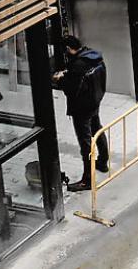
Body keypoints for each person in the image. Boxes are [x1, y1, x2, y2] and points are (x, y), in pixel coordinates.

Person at [53, 35, 109, 192]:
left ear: (68, 49)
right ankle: (103, 162)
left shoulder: (77, 65)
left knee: (85, 145)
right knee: (97, 129)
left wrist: (59, 79)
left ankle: (87, 180)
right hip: (94, 101)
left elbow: (71, 88)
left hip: (81, 108)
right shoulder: (93, 56)